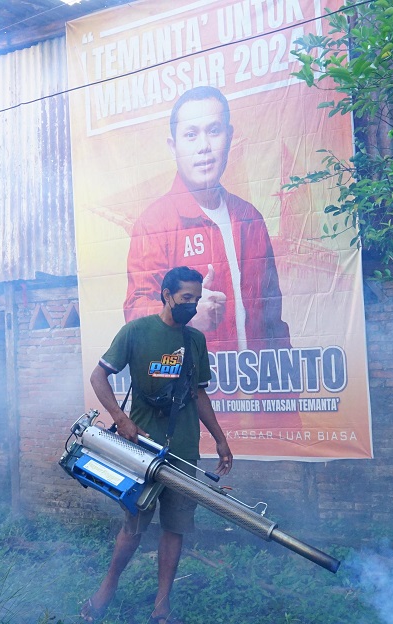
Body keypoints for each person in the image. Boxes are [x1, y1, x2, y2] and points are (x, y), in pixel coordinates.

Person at [82, 266, 234, 624]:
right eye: (186, 299)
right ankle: (108, 586)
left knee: (175, 527)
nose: (193, 306)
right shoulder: (136, 332)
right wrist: (121, 419)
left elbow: (198, 394)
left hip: (183, 451)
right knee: (133, 528)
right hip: (142, 451)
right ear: (166, 294)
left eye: (197, 299)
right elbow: (98, 376)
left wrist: (221, 437)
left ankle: (161, 606)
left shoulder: (195, 341)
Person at [124, 86, 291, 354]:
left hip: (260, 390)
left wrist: (287, 389)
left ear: (230, 137)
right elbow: (135, 315)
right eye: (191, 135)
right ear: (173, 146)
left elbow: (273, 321)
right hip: (192, 391)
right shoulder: (154, 223)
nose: (204, 146)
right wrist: (184, 315)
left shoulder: (251, 219)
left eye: (214, 131)